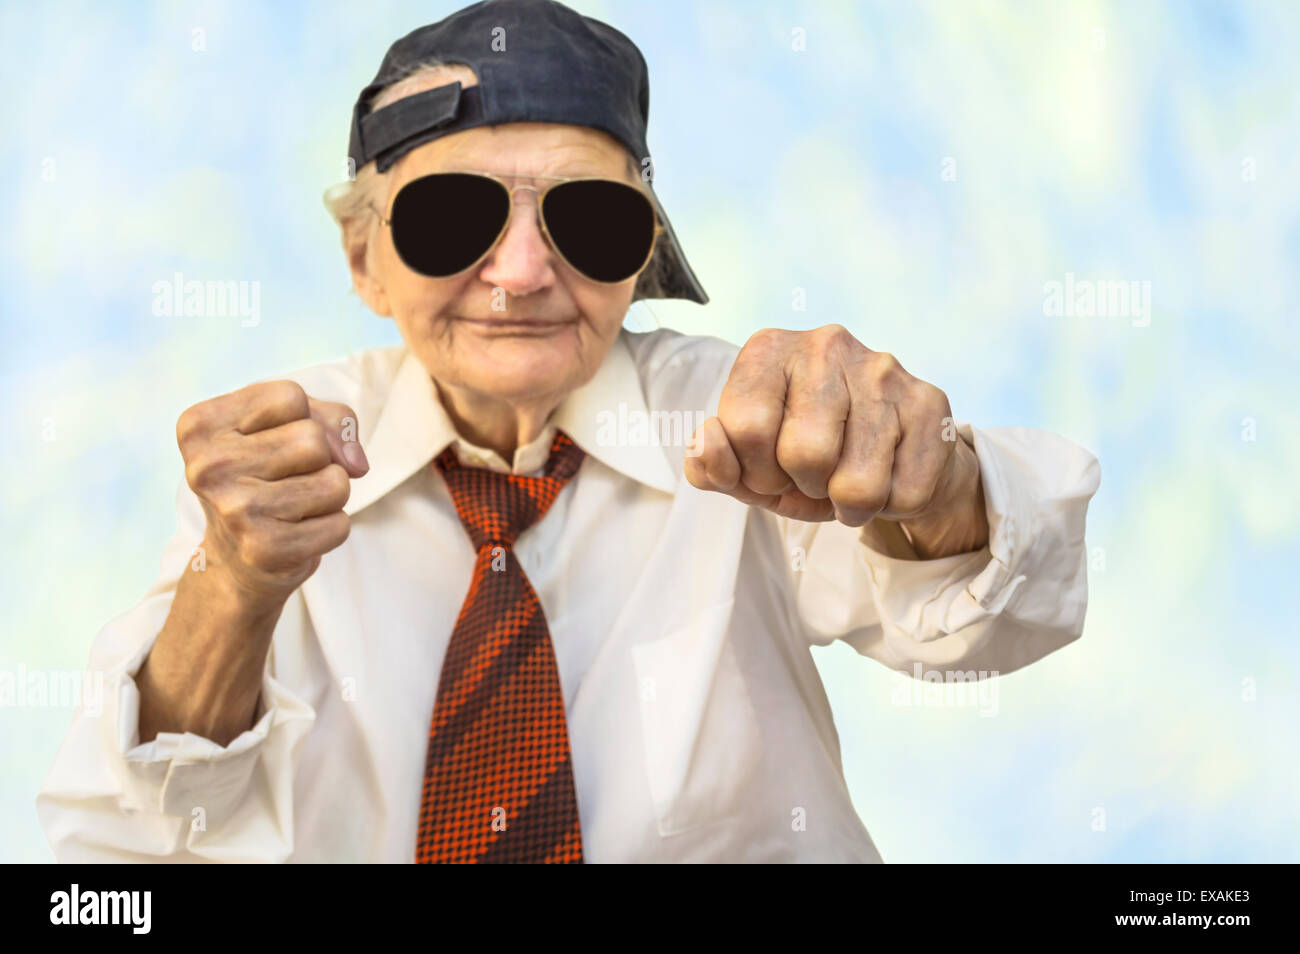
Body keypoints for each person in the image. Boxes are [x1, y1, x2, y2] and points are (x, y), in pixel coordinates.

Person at [37, 0, 1099, 863]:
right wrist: (233, 582)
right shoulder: (277, 458)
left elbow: (986, 619)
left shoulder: (741, 427)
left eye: (586, 220)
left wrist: (929, 476)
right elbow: (129, 840)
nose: (521, 274)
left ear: (638, 257)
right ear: (364, 262)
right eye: (452, 217)